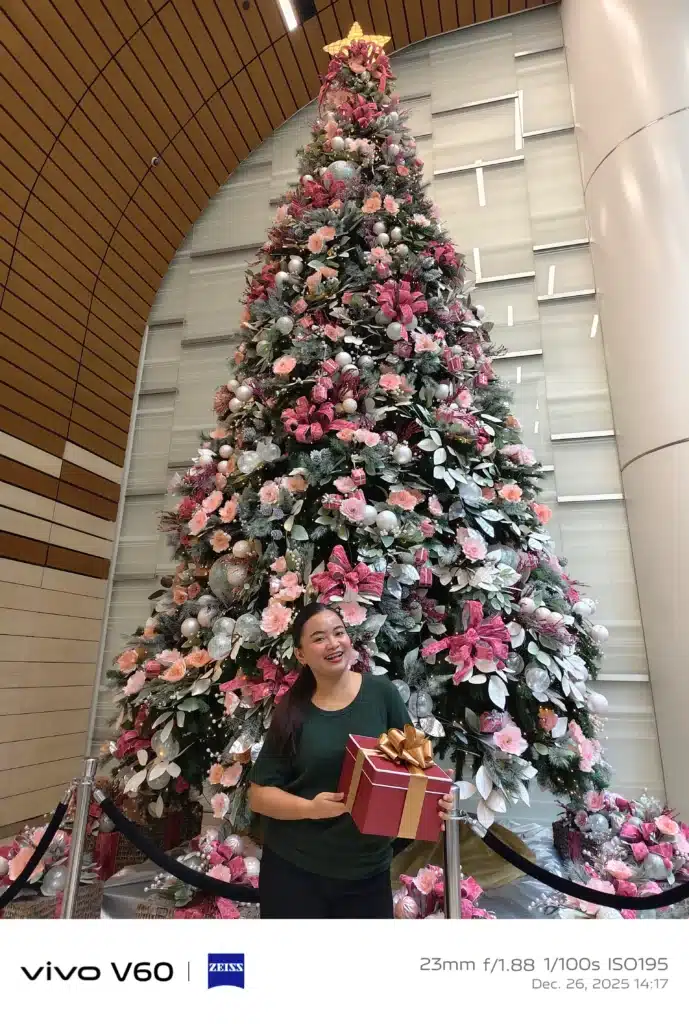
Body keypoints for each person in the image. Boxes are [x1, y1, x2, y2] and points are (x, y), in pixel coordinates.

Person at [249, 602, 453, 918]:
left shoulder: (382, 695)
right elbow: (260, 796)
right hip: (295, 869)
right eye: (318, 638)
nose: (333, 644)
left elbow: (416, 768)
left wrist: (437, 797)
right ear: (301, 654)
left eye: (339, 633)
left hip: (367, 871)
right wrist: (311, 809)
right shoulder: (291, 712)